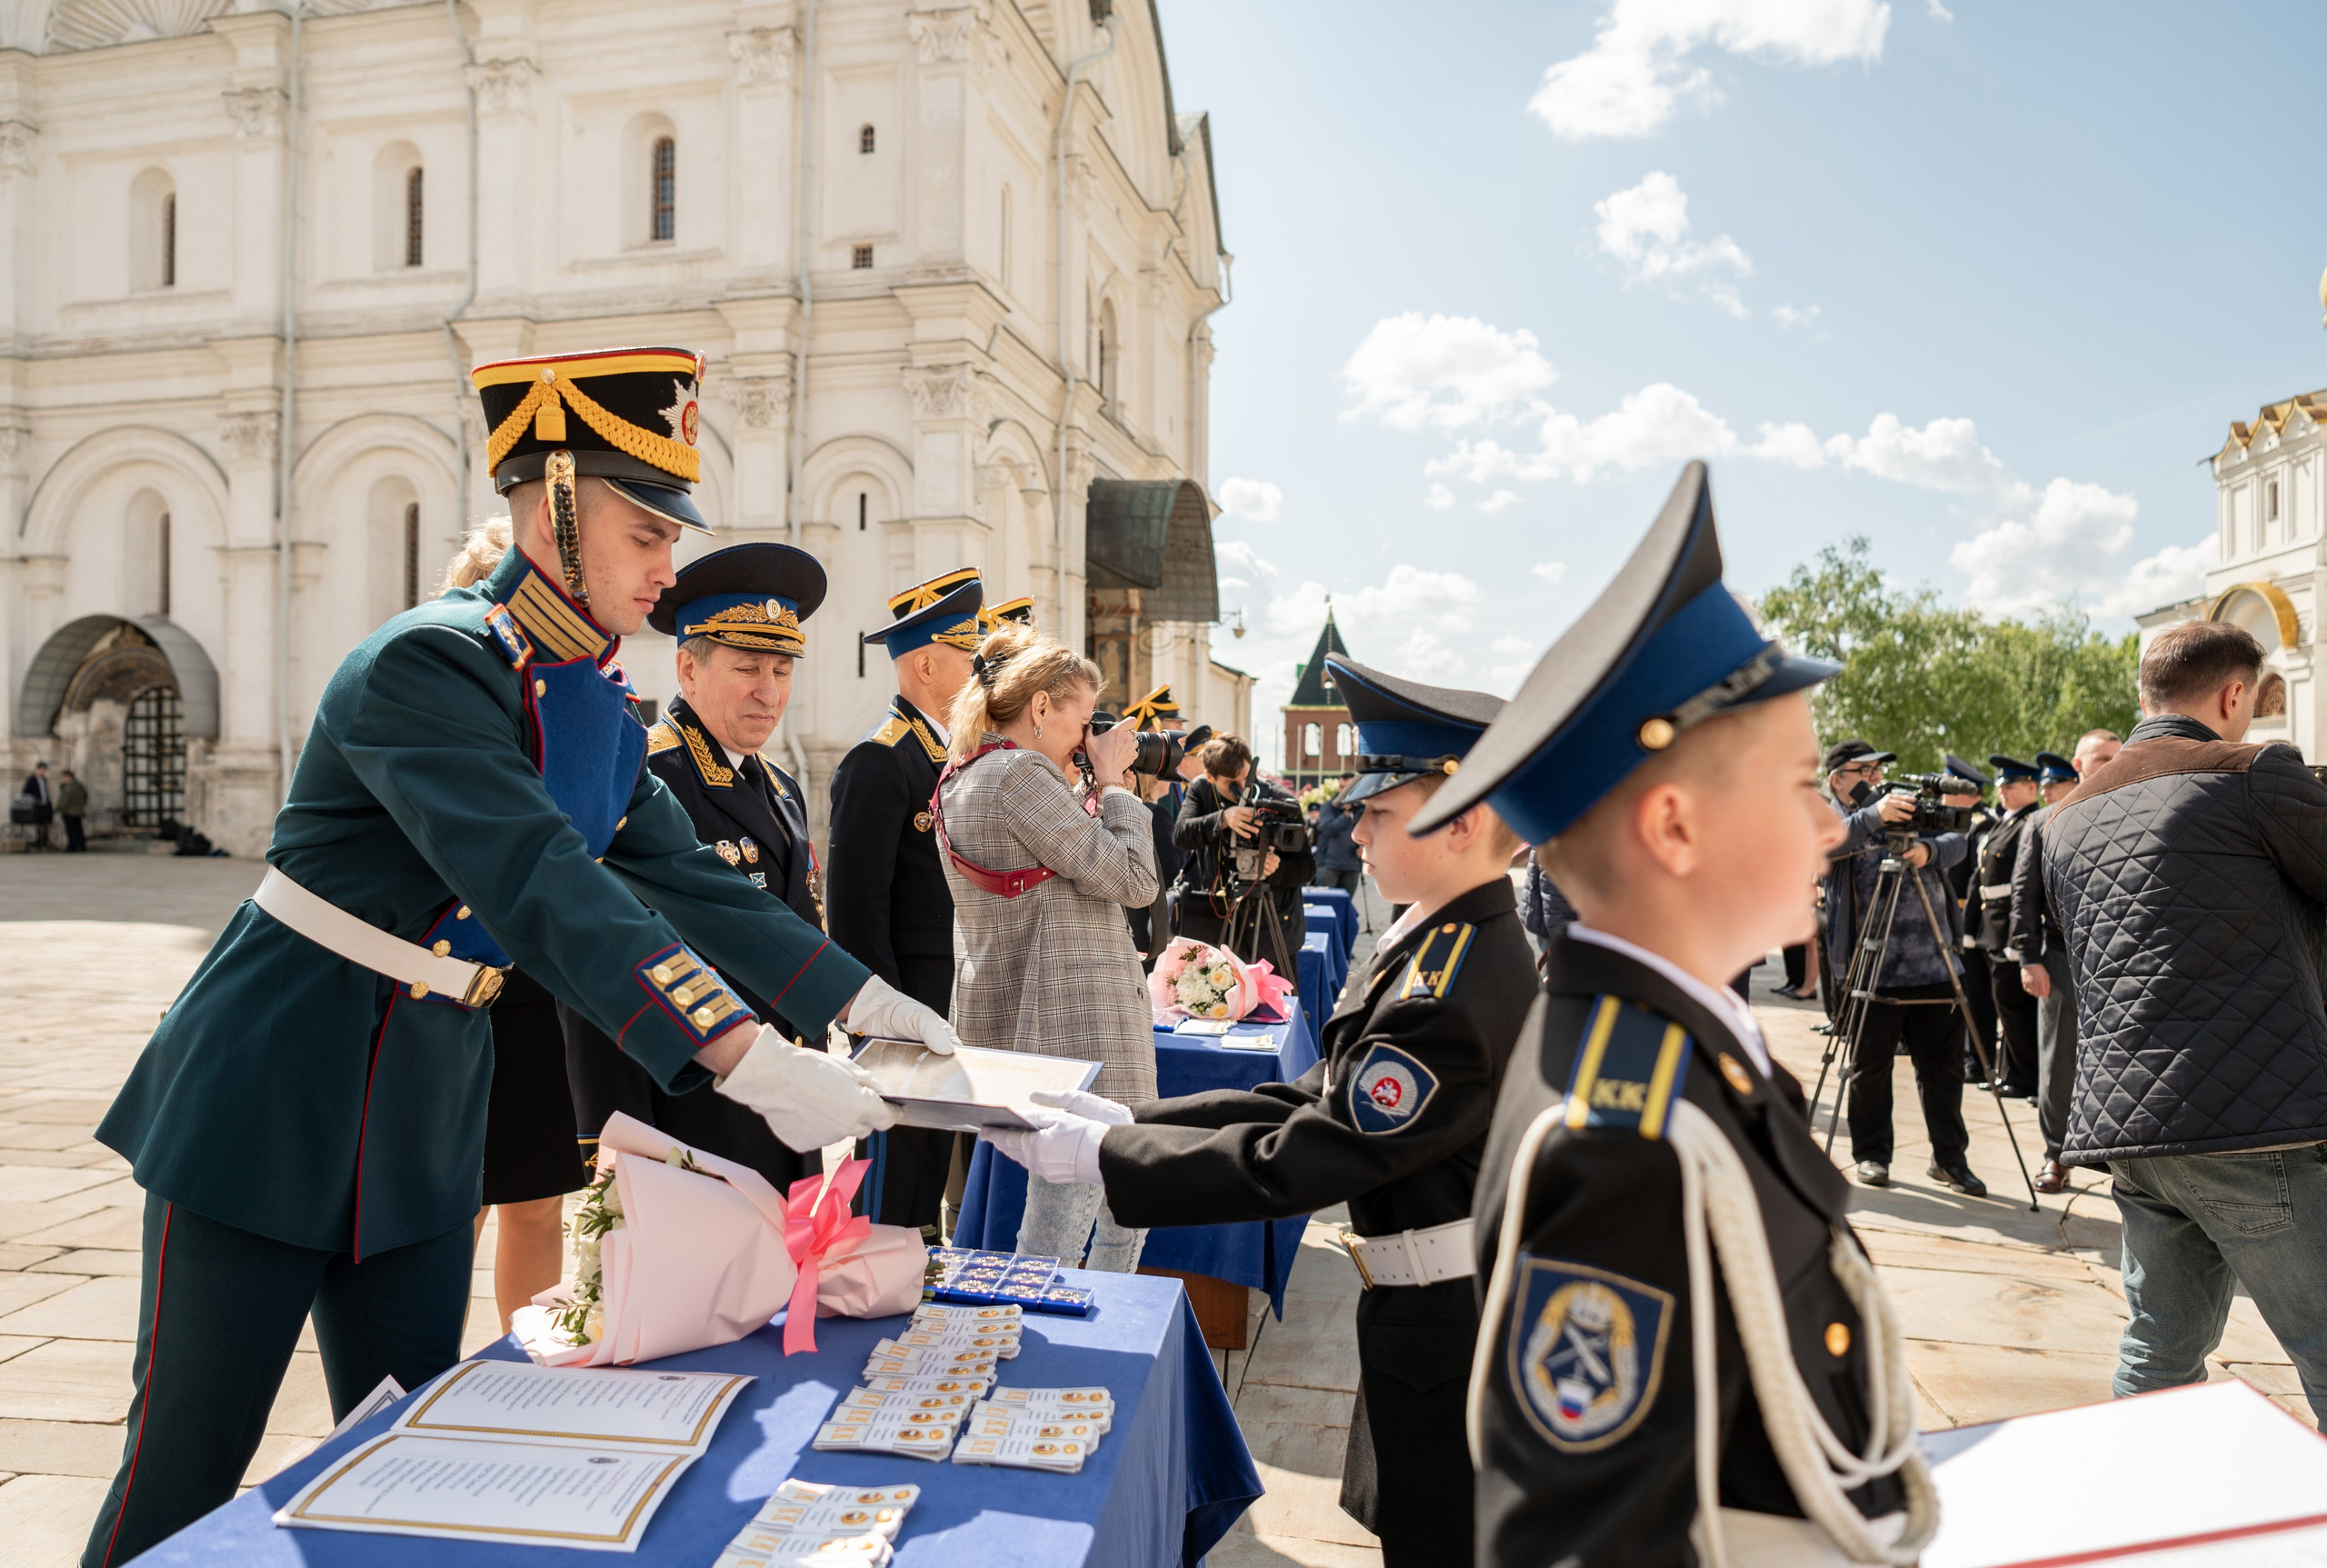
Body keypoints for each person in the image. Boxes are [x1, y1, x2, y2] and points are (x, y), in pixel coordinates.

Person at [78, 346, 961, 1568]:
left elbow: (683, 877)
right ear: (551, 504)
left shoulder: (594, 695)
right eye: (646, 530)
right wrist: (745, 1053)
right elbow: (541, 881)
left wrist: (868, 999)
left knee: (411, 1455)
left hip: (425, 1105)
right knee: (180, 1473)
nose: (667, 565)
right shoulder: (430, 663)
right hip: (272, 1090)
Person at [1437, 462, 1934, 1567]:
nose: (1832, 828)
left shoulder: (1676, 1059)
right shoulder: (1623, 1139)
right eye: (1804, 782)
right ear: (1673, 826)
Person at [984, 657, 1530, 1568]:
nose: (1352, 828)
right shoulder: (1440, 944)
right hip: (1428, 1308)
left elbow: (1313, 1152)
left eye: (1378, 811)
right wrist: (1129, 1118)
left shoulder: (1453, 979)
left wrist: (1103, 1159)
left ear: (1463, 820)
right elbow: (1312, 1093)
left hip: (1451, 1322)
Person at [2036, 623, 2327, 1424]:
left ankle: (2137, 1526)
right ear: (2236, 696)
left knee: (2158, 1349)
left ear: (2142, 696)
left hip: (2131, 1127)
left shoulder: (2064, 818)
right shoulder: (2253, 772)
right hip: (2250, 1118)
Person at [560, 541, 834, 1197]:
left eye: (781, 669)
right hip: (688, 1113)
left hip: (779, 1108)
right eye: (747, 668)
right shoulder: (649, 777)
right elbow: (599, 965)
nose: (768, 691)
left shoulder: (782, 787)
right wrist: (618, 1137)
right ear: (687, 668)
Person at [933, 625, 1158, 1269]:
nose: (1086, 738)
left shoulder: (964, 773)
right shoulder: (1020, 772)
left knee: (1104, 1205)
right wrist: (1114, 785)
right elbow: (1135, 881)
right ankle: (1068, 1345)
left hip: (1039, 1014)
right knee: (1073, 1222)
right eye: (1082, 720)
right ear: (1039, 707)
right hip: (1076, 1025)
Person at [432, 522, 587, 1331]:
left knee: (536, 1197)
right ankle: (424, 1369)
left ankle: (522, 1364)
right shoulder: (444, 694)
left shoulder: (587, 708)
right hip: (449, 989)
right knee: (451, 1206)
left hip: (536, 996)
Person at [827, 568, 984, 1235]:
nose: (982, 674)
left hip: (953, 999)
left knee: (935, 1173)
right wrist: (882, 1019)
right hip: (906, 1007)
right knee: (897, 1182)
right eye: (969, 659)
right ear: (925, 662)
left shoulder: (955, 757)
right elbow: (855, 908)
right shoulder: (881, 760)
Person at [1820, 738, 1984, 1195]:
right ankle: (1872, 1155)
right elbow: (1822, 850)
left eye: (1878, 770)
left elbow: (1956, 838)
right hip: (1871, 966)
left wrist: (1927, 853)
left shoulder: (1903, 804)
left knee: (1944, 1071)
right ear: (1838, 779)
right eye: (1864, 770)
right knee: (1870, 1067)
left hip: (1935, 963)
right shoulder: (1832, 815)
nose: (1875, 778)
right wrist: (1873, 817)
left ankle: (1949, 1160)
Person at [2011, 730, 2120, 1193]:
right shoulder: (2043, 823)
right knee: (2058, 1063)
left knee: (2117, 1060)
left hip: (2118, 958)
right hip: (2059, 957)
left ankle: (2116, 1153)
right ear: (2078, 764)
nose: (2112, 765)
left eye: (2118, 757)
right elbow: (2024, 895)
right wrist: (2028, 957)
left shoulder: (2131, 813)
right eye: (2101, 759)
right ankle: (2057, 1154)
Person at [1173, 734, 1316, 972]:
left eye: (1247, 778)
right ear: (1210, 777)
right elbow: (1180, 835)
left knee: (1277, 1007)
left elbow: (1308, 868)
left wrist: (1275, 868)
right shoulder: (1201, 789)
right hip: (1221, 924)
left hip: (1275, 930)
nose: (1244, 789)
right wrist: (1222, 819)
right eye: (1232, 783)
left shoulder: (1281, 800)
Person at [1972, 755, 2045, 1099]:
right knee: (2005, 1007)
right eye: (1999, 785)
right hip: (1993, 924)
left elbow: (2024, 885)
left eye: (2009, 785)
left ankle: (2026, 1077)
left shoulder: (2030, 822)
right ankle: (2011, 1072)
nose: (2001, 791)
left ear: (2032, 787)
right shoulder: (2004, 822)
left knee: (2016, 1009)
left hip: (2009, 928)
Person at [1312, 773, 1363, 894]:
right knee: (1324, 904)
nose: (1343, 790)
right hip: (1328, 865)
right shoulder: (1328, 807)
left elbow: (1370, 833)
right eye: (1341, 787)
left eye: (1347, 787)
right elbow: (1327, 829)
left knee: (1345, 906)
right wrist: (1345, 815)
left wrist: (1364, 848)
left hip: (1352, 865)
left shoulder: (1361, 810)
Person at [17, 759, 51, 849]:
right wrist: (35, 800)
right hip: (36, 806)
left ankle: (44, 843)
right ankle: (37, 843)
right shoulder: (31, 779)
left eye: (45, 770)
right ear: (38, 769)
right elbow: (26, 792)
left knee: (45, 824)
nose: (43, 771)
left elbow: (46, 793)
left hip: (44, 806)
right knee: (38, 824)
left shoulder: (44, 780)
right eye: (42, 769)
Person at [57, 768, 87, 853]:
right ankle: (81, 846)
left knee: (71, 831)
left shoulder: (69, 787)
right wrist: (81, 805)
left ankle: (72, 847)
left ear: (68, 777)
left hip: (69, 812)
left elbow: (65, 800)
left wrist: (59, 809)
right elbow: (85, 796)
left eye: (64, 777)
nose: (63, 779)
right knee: (78, 830)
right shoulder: (79, 785)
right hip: (78, 811)